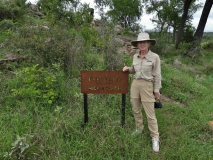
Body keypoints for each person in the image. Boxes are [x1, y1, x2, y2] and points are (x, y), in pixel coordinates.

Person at [123, 32, 162, 152]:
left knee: (150, 113)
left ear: (149, 43)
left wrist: (156, 90)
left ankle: (155, 137)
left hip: (147, 85)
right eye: (140, 42)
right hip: (135, 84)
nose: (142, 44)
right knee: (135, 109)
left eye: (144, 42)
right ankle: (139, 128)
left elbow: (157, 75)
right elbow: (134, 70)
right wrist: (127, 69)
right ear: (137, 44)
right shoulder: (135, 56)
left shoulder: (154, 57)